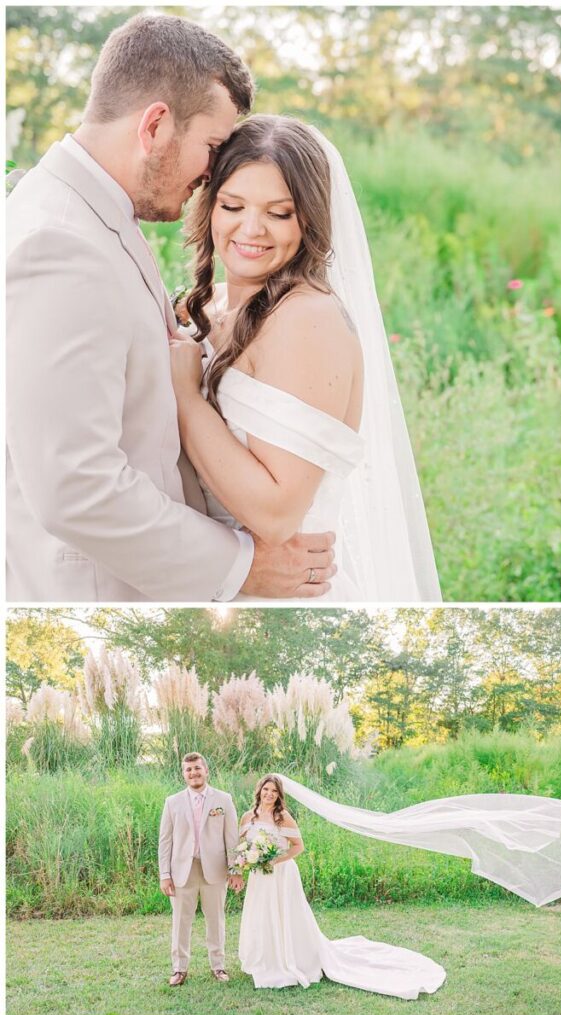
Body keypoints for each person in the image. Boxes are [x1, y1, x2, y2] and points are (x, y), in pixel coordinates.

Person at [6, 14, 336, 600]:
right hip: (95, 600)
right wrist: (241, 566)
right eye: (211, 146)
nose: (212, 172)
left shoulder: (89, 215)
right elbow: (75, 487)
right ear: (155, 125)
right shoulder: (60, 244)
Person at [168, 114, 441, 600]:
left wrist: (187, 399)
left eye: (279, 213)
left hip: (279, 600)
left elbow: (276, 514)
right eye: (233, 205)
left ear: (310, 219)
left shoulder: (307, 321)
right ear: (210, 205)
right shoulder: (206, 308)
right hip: (210, 587)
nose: (251, 229)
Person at [231, 771, 561, 997]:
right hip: (261, 880)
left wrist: (272, 860)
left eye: (274, 791)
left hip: (281, 875)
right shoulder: (248, 816)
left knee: (287, 918)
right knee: (262, 918)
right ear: (259, 791)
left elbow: (298, 848)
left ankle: (292, 961)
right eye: (266, 790)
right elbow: (241, 845)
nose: (269, 795)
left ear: (279, 794)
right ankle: (266, 960)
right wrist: (247, 862)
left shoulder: (284, 817)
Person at [158, 752, 243, 987]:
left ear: (206, 770)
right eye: (188, 769)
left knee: (216, 919)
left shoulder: (224, 800)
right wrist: (164, 874)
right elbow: (165, 841)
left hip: (215, 870)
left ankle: (218, 966)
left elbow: (232, 837)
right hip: (182, 871)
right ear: (183, 774)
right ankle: (179, 968)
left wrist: (235, 869)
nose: (193, 773)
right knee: (180, 921)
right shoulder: (172, 802)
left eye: (197, 768)